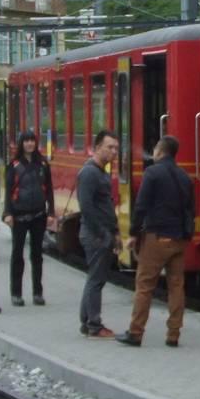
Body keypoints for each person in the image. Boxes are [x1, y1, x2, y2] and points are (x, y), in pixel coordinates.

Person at [119, 135, 195, 348]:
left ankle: (135, 333)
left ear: (160, 152)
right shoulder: (184, 177)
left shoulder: (152, 173)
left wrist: (133, 233)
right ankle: (173, 334)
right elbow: (191, 210)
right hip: (179, 239)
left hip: (156, 237)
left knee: (144, 286)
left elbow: (141, 205)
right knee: (176, 286)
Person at [77, 129, 121, 338]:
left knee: (95, 278)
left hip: (101, 232)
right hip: (95, 234)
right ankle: (94, 324)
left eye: (116, 148)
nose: (114, 152)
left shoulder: (101, 172)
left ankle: (87, 322)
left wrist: (116, 232)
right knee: (96, 280)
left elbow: (106, 206)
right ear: (97, 147)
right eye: (109, 147)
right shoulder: (89, 173)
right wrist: (103, 234)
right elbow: (87, 207)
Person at [4, 130, 54, 307]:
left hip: (39, 215)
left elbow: (49, 190)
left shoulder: (42, 164)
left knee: (37, 255)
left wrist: (51, 213)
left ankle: (38, 292)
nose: (29, 144)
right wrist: (7, 213)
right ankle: (16, 293)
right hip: (19, 216)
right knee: (17, 255)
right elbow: (9, 191)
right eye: (26, 141)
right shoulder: (14, 165)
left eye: (32, 141)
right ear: (21, 144)